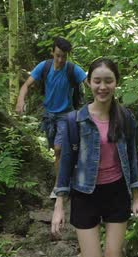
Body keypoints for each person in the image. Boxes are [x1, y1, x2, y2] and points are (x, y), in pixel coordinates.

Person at [50, 58, 138, 257]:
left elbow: (132, 158)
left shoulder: (125, 118)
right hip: (85, 194)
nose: (102, 87)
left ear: (116, 83)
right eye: (97, 81)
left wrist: (137, 198)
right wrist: (59, 205)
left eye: (108, 81)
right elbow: (65, 164)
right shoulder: (75, 120)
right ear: (89, 83)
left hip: (116, 192)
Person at [15, 37, 87, 174]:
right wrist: (20, 100)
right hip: (48, 116)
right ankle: (65, 174)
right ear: (52, 52)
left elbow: (90, 82)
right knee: (56, 150)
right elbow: (26, 85)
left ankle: (58, 187)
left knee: (59, 149)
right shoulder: (44, 66)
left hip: (66, 115)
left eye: (64, 57)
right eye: (58, 56)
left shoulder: (73, 69)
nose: (60, 60)